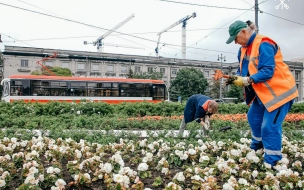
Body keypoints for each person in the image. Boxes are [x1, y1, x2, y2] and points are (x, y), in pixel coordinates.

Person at [226, 20, 298, 166]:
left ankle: (272, 161)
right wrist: (236, 77)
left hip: (280, 93)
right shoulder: (243, 49)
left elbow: (267, 71)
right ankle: (257, 149)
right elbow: (242, 69)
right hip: (263, 93)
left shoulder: (264, 43)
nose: (235, 43)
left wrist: (246, 80)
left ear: (244, 32)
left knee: (269, 127)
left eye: (235, 38)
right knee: (253, 117)